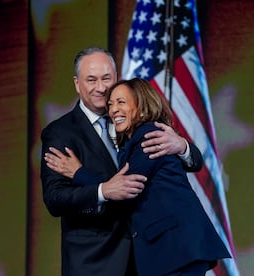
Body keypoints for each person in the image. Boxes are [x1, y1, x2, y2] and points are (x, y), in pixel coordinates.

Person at [40, 47, 202, 276]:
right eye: (91, 79)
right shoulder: (60, 133)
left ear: (116, 78)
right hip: (94, 263)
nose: (101, 87)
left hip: (146, 258)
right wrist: (102, 191)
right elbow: (54, 199)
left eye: (107, 78)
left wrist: (182, 146)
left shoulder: (132, 119)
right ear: (77, 84)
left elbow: (192, 163)